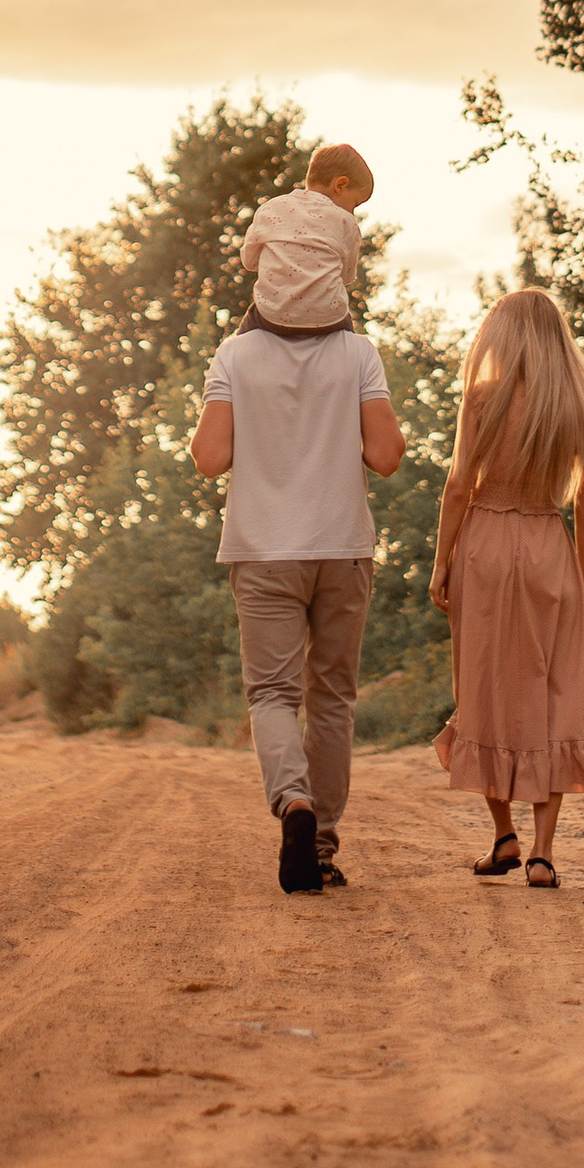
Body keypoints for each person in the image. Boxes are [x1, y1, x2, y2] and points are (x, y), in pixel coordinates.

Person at [189, 212, 406, 896]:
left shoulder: (235, 355)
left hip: (263, 549)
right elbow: (387, 455)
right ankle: (326, 848)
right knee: (333, 698)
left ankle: (294, 802)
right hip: (342, 546)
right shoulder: (359, 353)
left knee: (274, 693)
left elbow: (209, 457)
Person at [430, 286, 584, 890]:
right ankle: (541, 852)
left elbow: (459, 486)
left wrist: (441, 562)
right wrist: (578, 578)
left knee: (484, 687)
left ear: (501, 338)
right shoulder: (573, 405)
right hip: (546, 546)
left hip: (484, 544)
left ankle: (502, 834)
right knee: (556, 690)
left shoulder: (481, 399)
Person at [239, 139, 372, 331]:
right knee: (349, 335)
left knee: (242, 337)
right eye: (355, 203)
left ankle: (237, 354)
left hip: (272, 317)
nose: (353, 212)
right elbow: (346, 276)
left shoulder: (271, 208)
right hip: (328, 319)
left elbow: (249, 261)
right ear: (341, 185)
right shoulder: (346, 221)